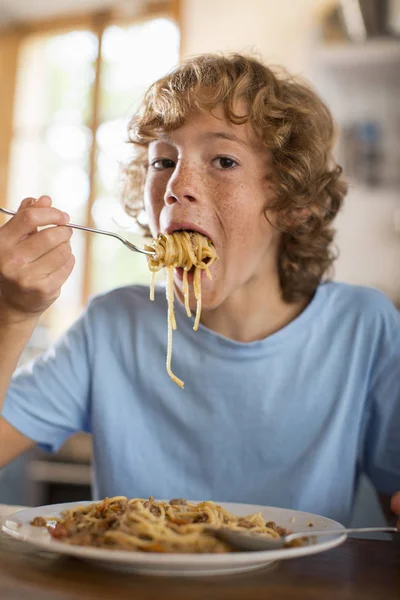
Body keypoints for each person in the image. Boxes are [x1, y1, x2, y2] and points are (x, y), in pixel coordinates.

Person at [0, 53, 399, 528]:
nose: (176, 186)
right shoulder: (110, 326)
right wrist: (13, 314)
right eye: (163, 161)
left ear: (295, 204)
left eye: (224, 160)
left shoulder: (362, 327)